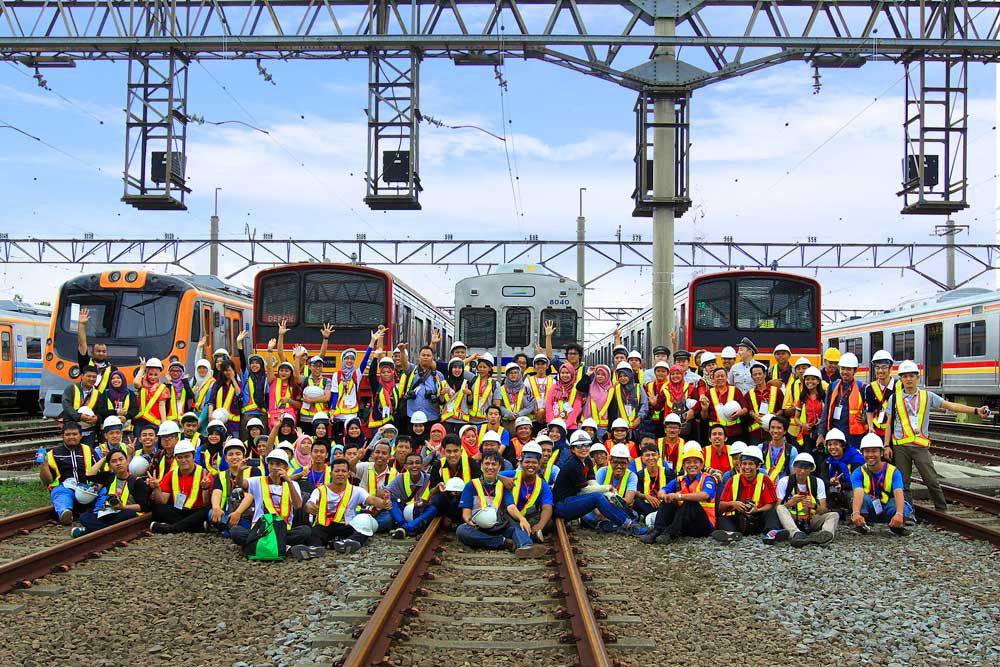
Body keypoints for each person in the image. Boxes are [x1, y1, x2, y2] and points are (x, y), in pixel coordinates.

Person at [885, 360, 989, 512]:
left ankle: (941, 510)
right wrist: (887, 445)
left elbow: (951, 406)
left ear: (917, 378)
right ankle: (907, 512)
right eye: (905, 376)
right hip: (901, 446)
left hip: (920, 446)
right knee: (903, 483)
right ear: (900, 379)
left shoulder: (927, 396)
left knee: (931, 480)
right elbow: (889, 424)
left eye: (911, 376)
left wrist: (975, 410)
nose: (908, 379)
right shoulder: (894, 398)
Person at [225, 449, 316, 558]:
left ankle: (257, 545)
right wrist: (240, 471)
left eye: (278, 464)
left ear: (285, 467)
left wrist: (288, 481)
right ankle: (283, 547)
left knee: (305, 531)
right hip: (261, 529)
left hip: (283, 528)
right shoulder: (258, 481)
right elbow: (241, 483)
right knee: (235, 532)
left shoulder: (292, 484)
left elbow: (298, 505)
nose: (274, 467)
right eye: (271, 464)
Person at [550, 433, 646, 535]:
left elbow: (592, 482)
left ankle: (626, 523)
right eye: (579, 446)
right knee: (597, 497)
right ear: (572, 449)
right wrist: (607, 488)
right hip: (561, 505)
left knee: (603, 497)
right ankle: (628, 525)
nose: (584, 448)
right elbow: (584, 489)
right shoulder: (573, 464)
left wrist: (610, 495)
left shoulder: (586, 460)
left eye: (586, 445)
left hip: (573, 499)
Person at [456, 452, 547, 558]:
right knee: (462, 531)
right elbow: (466, 512)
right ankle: (503, 542)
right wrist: (469, 521)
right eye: (487, 463)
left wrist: (522, 518)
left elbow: (510, 506)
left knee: (518, 527)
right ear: (481, 466)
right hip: (479, 526)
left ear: (499, 467)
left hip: (500, 525)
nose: (490, 467)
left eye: (494, 464)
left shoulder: (503, 486)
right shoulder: (471, 485)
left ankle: (526, 547)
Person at [306, 458, 391, 553]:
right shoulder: (319, 490)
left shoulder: (356, 490)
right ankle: (314, 549)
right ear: (331, 474)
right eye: (337, 471)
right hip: (325, 525)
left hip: (346, 525)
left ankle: (345, 543)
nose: (340, 474)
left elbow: (371, 499)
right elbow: (310, 503)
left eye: (344, 471)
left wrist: (383, 503)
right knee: (314, 533)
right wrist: (310, 506)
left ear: (348, 474)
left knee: (363, 531)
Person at [641, 443, 717, 544]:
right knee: (668, 501)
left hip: (704, 524)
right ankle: (657, 531)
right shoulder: (679, 480)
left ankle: (669, 533)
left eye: (695, 462)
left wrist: (679, 496)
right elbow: (661, 492)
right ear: (684, 466)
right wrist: (665, 496)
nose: (692, 465)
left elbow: (705, 495)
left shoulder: (707, 479)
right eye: (688, 462)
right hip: (686, 524)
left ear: (701, 465)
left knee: (689, 502)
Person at [74, 447, 151, 537]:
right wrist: (104, 458)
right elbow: (89, 475)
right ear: (110, 466)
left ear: (127, 462)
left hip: (125, 513)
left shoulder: (137, 481)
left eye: (121, 459)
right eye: (113, 461)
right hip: (108, 513)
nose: (118, 463)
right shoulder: (109, 477)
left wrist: (122, 507)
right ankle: (111, 531)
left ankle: (93, 531)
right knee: (84, 517)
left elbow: (143, 507)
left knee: (129, 513)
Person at [713, 445, 780, 543]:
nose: (747, 467)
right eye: (744, 464)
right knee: (722, 518)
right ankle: (730, 534)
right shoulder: (732, 480)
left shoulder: (765, 480)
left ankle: (771, 533)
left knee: (772, 512)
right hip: (740, 519)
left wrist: (758, 509)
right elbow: (721, 506)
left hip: (758, 519)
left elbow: (771, 504)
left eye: (751, 464)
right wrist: (733, 504)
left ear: (758, 466)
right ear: (740, 465)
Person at [770, 452, 838, 547]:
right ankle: (796, 534)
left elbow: (824, 509)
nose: (802, 471)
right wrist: (790, 503)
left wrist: (814, 506)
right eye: (799, 467)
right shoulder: (785, 481)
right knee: (780, 508)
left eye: (806, 468)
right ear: (794, 467)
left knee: (834, 515)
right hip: (792, 518)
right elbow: (776, 507)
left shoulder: (818, 482)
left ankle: (825, 535)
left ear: (811, 469)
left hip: (811, 518)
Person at [851, 433, 914, 536]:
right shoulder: (858, 472)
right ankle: (862, 525)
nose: (870, 455)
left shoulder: (893, 471)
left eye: (874, 451)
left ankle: (896, 525)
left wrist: (899, 513)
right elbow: (858, 493)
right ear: (862, 453)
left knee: (904, 507)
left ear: (881, 453)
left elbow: (898, 492)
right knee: (860, 499)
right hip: (869, 508)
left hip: (886, 506)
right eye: (867, 451)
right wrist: (856, 513)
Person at [148, 440, 213, 533]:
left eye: (187, 457)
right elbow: (163, 501)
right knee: (158, 508)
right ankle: (196, 528)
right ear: (175, 459)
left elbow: (207, 503)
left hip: (196, 511)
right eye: (180, 457)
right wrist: (156, 488)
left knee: (207, 511)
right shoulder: (171, 474)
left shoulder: (205, 474)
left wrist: (205, 489)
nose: (183, 460)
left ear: (193, 456)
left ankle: (171, 528)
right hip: (178, 511)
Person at [41, 423, 97, 525]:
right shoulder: (52, 454)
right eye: (68, 434)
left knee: (103, 491)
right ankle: (65, 512)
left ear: (80, 436)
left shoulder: (89, 451)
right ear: (62, 436)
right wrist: (44, 465)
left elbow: (100, 471)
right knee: (60, 493)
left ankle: (99, 512)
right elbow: (47, 481)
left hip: (87, 489)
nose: (71, 437)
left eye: (74, 434)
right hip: (65, 489)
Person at [498, 442, 553, 541]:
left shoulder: (543, 485)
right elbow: (486, 476)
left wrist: (540, 525)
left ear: (539, 464)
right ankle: (527, 536)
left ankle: (518, 533)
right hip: (508, 515)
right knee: (505, 521)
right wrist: (502, 478)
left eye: (534, 462)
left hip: (527, 518)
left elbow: (547, 507)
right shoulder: (512, 474)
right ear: (520, 463)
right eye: (527, 462)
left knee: (548, 522)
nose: (530, 465)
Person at [583, 443, 637, 530]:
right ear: (610, 461)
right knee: (585, 514)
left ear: (627, 463)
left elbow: (628, 499)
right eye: (616, 462)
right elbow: (592, 493)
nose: (619, 466)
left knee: (634, 514)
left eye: (622, 463)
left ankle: (606, 524)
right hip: (599, 508)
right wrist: (598, 513)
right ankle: (614, 524)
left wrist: (616, 502)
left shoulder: (632, 476)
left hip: (618, 507)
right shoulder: (602, 471)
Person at [817, 352, 866, 449]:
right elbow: (826, 411)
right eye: (843, 368)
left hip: (854, 436)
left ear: (854, 371)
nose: (845, 372)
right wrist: (821, 433)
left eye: (849, 369)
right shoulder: (833, 386)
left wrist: (865, 421)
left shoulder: (862, 388)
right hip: (835, 433)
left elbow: (868, 410)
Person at [429, 435, 480, 525]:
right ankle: (446, 517)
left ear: (461, 451)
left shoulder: (471, 462)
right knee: (436, 499)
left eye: (455, 451)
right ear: (443, 451)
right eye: (449, 451)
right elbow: (432, 491)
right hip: (446, 501)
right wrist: (437, 487)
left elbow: (479, 487)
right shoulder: (438, 465)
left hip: (465, 501)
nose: (452, 455)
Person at [207, 439, 253, 536]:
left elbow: (251, 495)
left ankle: (229, 531)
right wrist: (216, 507)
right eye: (230, 454)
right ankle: (234, 530)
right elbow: (217, 492)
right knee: (212, 512)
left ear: (243, 456)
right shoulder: (221, 475)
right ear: (226, 458)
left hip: (248, 514)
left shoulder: (254, 471)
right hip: (228, 513)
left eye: (238, 454)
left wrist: (238, 513)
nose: (234, 457)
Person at [387, 452, 437, 537]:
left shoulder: (429, 478)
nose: (414, 465)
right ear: (405, 466)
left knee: (434, 509)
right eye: (410, 463)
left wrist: (424, 502)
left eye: (417, 463)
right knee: (390, 499)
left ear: (422, 465)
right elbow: (386, 491)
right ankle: (403, 525)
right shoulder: (400, 477)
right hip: (405, 511)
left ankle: (406, 528)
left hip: (421, 511)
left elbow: (435, 499)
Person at [354, 440, 397, 532]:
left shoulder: (395, 474)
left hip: (381, 510)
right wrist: (357, 457)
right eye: (377, 452)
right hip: (362, 508)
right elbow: (348, 467)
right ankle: (367, 525)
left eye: (384, 453)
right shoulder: (364, 466)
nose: (380, 455)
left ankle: (364, 526)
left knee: (387, 520)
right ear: (372, 454)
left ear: (389, 457)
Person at [61, 366, 107, 445]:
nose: (92, 379)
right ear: (82, 376)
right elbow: (66, 405)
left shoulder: (98, 394)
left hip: (89, 431)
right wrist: (78, 416)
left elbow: (101, 412)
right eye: (89, 376)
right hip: (72, 428)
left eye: (94, 377)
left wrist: (96, 419)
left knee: (87, 452)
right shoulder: (71, 388)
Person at [700, 366, 747, 441]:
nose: (720, 378)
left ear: (727, 376)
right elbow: (704, 417)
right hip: (716, 434)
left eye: (722, 376)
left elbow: (745, 408)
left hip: (734, 432)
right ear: (713, 378)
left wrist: (740, 412)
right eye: (717, 376)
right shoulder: (708, 393)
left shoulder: (735, 390)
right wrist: (704, 409)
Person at [75, 307, 115, 392]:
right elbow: (82, 344)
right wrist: (81, 325)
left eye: (104, 351)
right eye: (98, 351)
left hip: (103, 402)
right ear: (92, 352)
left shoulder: (113, 369)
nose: (101, 353)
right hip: (86, 400)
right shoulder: (85, 363)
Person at [745, 362, 782, 445]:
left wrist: (775, 415)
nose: (758, 376)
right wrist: (753, 415)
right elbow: (747, 410)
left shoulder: (776, 391)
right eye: (755, 375)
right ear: (752, 377)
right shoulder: (749, 394)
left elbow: (782, 409)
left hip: (773, 433)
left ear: (765, 374)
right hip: (755, 433)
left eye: (760, 374)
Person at [132, 357, 170, 434]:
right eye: (150, 374)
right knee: (138, 444)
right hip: (139, 421)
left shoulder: (162, 388)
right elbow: (136, 383)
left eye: (156, 375)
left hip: (154, 422)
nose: (153, 377)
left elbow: (162, 406)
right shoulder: (142, 384)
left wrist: (164, 423)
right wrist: (142, 369)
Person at [632, 442, 669, 519]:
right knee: (637, 501)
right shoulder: (639, 475)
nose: (651, 458)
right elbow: (635, 492)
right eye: (647, 455)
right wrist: (646, 496)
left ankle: (654, 517)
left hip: (663, 503)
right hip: (647, 505)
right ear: (642, 458)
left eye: (653, 455)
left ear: (658, 456)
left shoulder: (668, 473)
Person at [494, 362, 535, 431]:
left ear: (519, 374)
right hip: (505, 423)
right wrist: (507, 414)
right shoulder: (501, 389)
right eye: (511, 373)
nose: (513, 375)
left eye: (515, 373)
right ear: (507, 375)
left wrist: (518, 415)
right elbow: (497, 405)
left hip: (522, 423)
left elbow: (530, 406)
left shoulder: (526, 389)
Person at [607, 363, 648, 431]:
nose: (623, 378)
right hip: (620, 427)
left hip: (637, 426)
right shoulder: (614, 389)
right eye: (620, 376)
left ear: (630, 375)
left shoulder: (638, 387)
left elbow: (644, 404)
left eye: (625, 375)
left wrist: (639, 418)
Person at [865, 350, 896, 440]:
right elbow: (869, 410)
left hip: (895, 432)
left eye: (884, 367)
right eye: (877, 368)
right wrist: (870, 426)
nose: (880, 371)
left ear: (890, 368)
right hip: (877, 432)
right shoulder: (870, 388)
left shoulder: (899, 386)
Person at [208, 358, 243, 437]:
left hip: (233, 423)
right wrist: (210, 415)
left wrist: (233, 378)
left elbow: (239, 394)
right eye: (225, 371)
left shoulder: (238, 384)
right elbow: (211, 401)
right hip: (218, 420)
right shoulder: (217, 384)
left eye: (229, 370)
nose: (227, 373)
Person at [546, 362, 583, 428]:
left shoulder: (576, 388)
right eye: (562, 373)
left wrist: (565, 425)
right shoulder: (554, 387)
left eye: (567, 373)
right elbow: (549, 405)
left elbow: (576, 409)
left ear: (572, 374)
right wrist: (552, 423)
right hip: (554, 425)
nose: (565, 375)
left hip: (570, 426)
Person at [761, 415, 797, 482]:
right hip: (763, 485)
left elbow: (793, 474)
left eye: (779, 428)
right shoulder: (761, 447)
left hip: (783, 486)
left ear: (785, 431)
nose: (775, 431)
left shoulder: (791, 450)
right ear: (769, 430)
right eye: (772, 427)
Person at [465, 354, 497, 426]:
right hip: (470, 420)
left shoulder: (495, 384)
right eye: (480, 367)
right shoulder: (472, 378)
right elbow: (459, 365)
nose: (481, 369)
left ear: (489, 368)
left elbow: (496, 405)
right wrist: (472, 358)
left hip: (486, 422)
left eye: (484, 367)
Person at [584, 364, 613, 434]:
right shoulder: (590, 386)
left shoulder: (611, 390)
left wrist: (609, 429)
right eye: (598, 374)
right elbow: (579, 386)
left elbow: (612, 410)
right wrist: (588, 374)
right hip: (588, 424)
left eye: (603, 374)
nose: (600, 376)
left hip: (603, 426)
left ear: (607, 376)